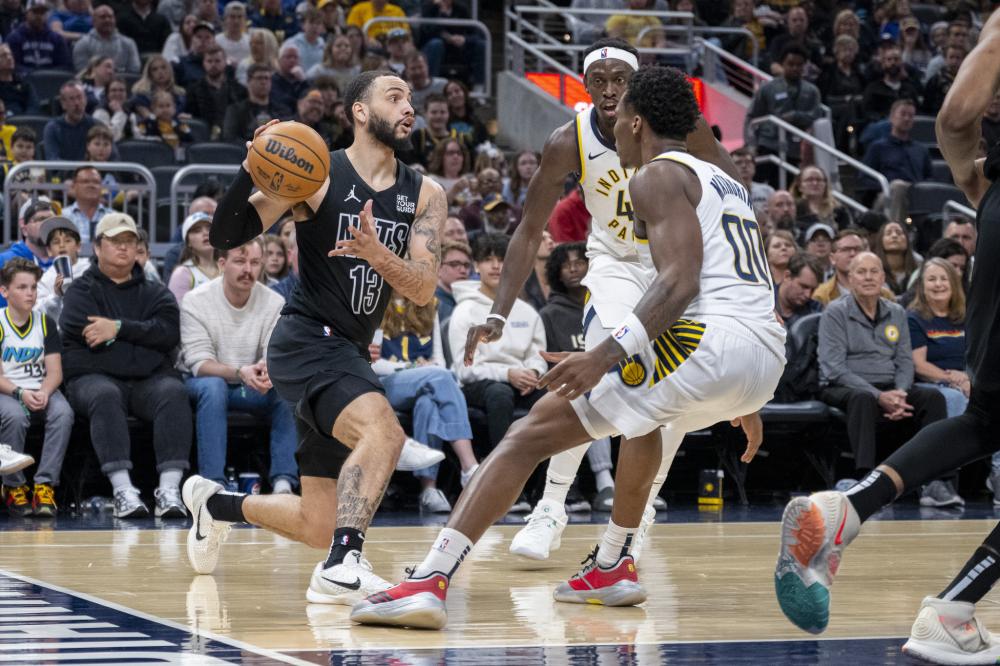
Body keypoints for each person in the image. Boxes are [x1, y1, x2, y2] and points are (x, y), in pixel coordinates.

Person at [350, 64, 784, 630]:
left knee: (526, 436)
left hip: (712, 345)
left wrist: (603, 355)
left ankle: (429, 582)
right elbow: (730, 288)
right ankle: (611, 565)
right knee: (641, 419)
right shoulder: (726, 182)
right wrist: (740, 394)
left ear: (634, 123)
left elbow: (680, 282)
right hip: (763, 354)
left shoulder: (655, 177)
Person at [447, 39, 743, 564]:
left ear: (636, 84)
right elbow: (528, 229)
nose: (610, 90)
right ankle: (552, 506)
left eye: (619, 80)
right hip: (615, 265)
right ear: (585, 85)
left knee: (666, 394)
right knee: (607, 372)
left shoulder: (677, 124)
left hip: (671, 267)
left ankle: (640, 511)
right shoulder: (569, 140)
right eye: (599, 80)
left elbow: (732, 184)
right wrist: (498, 311)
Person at [182, 70, 449, 606]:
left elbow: (422, 291)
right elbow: (226, 237)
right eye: (394, 97)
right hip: (305, 338)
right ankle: (345, 563)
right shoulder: (317, 172)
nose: (408, 107)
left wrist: (377, 254)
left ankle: (213, 506)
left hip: (347, 350)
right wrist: (248, 167)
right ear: (358, 109)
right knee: (386, 435)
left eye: (411, 99)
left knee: (317, 523)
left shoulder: (426, 194)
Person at [60, 213, 192, 519]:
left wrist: (118, 329)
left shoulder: (156, 290)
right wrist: (142, 343)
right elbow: (82, 330)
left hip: (148, 381)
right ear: (97, 247)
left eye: (130, 241)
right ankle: (123, 490)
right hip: (93, 378)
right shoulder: (81, 290)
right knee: (104, 394)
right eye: (115, 241)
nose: (123, 247)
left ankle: (169, 490)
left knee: (173, 391)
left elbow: (169, 332)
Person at [180, 236, 297, 495]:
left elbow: (274, 352)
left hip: (251, 383)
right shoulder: (195, 300)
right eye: (240, 261)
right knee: (213, 388)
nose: (248, 270)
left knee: (288, 390)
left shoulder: (274, 302)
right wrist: (239, 372)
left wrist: (267, 371)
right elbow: (198, 363)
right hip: (205, 384)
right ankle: (214, 485)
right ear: (222, 264)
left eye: (255, 262)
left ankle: (283, 483)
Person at [373, 291, 479, 513]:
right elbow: (372, 362)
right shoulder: (374, 302)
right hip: (384, 384)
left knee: (427, 403)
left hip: (426, 381)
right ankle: (469, 467)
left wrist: (428, 369)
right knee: (440, 377)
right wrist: (414, 368)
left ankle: (428, 489)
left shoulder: (431, 305)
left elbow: (438, 359)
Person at [0, 259, 73, 518]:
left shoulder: (44, 323)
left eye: (32, 287)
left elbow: (55, 372)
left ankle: (44, 485)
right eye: (22, 287)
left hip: (40, 387)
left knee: (63, 414)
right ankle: (14, 486)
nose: (30, 293)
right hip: (7, 390)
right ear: (4, 291)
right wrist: (20, 393)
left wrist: (44, 390)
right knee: (15, 415)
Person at [746, 44, 824, 187]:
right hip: (767, 144)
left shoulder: (812, 91)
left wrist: (795, 116)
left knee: (785, 187)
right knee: (758, 186)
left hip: (793, 149)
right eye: (791, 64)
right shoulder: (768, 88)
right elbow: (752, 117)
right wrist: (751, 145)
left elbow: (816, 116)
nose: (795, 68)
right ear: (782, 64)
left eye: (799, 65)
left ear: (805, 66)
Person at [907, 258, 969, 420]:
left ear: (954, 284)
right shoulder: (914, 319)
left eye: (944, 279)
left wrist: (967, 378)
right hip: (932, 383)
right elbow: (918, 365)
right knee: (955, 397)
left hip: (966, 379)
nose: (938, 284)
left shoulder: (966, 317)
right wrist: (953, 379)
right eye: (932, 279)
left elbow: (979, 357)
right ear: (922, 287)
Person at [861, 99, 932, 222]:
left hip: (913, 194)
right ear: (892, 117)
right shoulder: (878, 147)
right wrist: (887, 186)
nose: (907, 119)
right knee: (897, 186)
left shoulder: (921, 149)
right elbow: (864, 178)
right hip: (886, 196)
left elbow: (929, 177)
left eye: (911, 116)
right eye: (903, 114)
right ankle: (895, 228)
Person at [0, 200, 56, 308]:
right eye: (40, 219)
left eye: (51, 219)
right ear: (25, 230)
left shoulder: (65, 261)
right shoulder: (4, 261)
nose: (47, 223)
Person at [186, 45, 247, 140]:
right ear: (203, 63)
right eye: (209, 61)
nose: (213, 65)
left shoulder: (239, 90)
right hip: (203, 138)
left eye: (217, 61)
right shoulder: (193, 90)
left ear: (225, 62)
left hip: (234, 137)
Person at [36, 216, 89, 324]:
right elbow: (38, 312)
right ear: (49, 250)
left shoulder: (90, 269)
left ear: (78, 246)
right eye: (56, 242)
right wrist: (56, 295)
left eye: (68, 240)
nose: (62, 245)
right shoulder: (45, 279)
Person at [222, 63, 289, 143]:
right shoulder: (235, 110)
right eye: (259, 78)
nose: (263, 82)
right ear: (248, 81)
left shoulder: (282, 110)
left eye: (267, 78)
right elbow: (230, 138)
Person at [72, 4, 141, 74]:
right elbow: (81, 70)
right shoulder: (82, 43)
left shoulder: (129, 43)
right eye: (103, 17)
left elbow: (134, 69)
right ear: (93, 21)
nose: (107, 20)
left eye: (110, 17)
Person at [6, 0, 72, 73]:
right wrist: (33, 74)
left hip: (51, 80)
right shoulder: (15, 38)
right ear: (26, 13)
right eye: (35, 12)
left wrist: (46, 75)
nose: (39, 16)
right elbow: (13, 65)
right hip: (24, 80)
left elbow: (65, 66)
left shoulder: (57, 39)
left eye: (42, 13)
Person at [168, 211, 219, 304]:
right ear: (188, 242)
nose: (205, 233)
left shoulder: (228, 266)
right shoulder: (182, 273)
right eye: (197, 230)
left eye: (209, 228)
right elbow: (177, 312)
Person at [42, 81, 97, 161]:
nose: (77, 103)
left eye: (79, 97)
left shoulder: (96, 126)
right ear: (63, 104)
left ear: (85, 100)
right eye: (72, 99)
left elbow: (113, 158)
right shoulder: (52, 128)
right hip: (63, 173)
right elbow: (53, 161)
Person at [790, 166, 852, 231]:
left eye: (819, 180)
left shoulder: (839, 211)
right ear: (800, 186)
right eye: (809, 180)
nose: (815, 183)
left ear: (825, 184)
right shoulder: (793, 208)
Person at [63, 166, 112, 245]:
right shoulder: (62, 216)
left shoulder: (114, 218)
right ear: (74, 186)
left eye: (96, 182)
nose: (91, 185)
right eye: (85, 182)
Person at [873, 220, 921, 296]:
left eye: (899, 233)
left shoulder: (918, 272)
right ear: (880, 240)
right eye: (888, 233)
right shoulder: (873, 271)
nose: (894, 236)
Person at [776, 252, 823, 329]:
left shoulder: (816, 311)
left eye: (813, 289)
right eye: (804, 286)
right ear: (787, 276)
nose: (808, 295)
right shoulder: (761, 304)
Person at [435, 240, 470, 322]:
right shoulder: (431, 303)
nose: (463, 270)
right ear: (438, 269)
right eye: (454, 264)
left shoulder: (469, 301)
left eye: (466, 265)